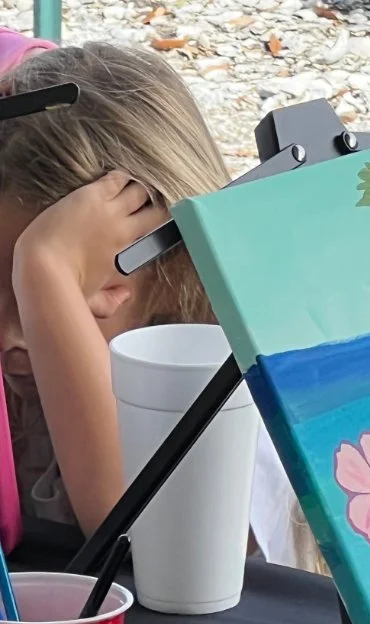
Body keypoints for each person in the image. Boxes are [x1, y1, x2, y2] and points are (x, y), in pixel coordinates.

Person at [0, 32, 331, 576]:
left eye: (34, 295)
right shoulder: (26, 375)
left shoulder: (241, 392)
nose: (13, 337)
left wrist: (46, 271)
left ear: (171, 259)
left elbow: (140, 539)